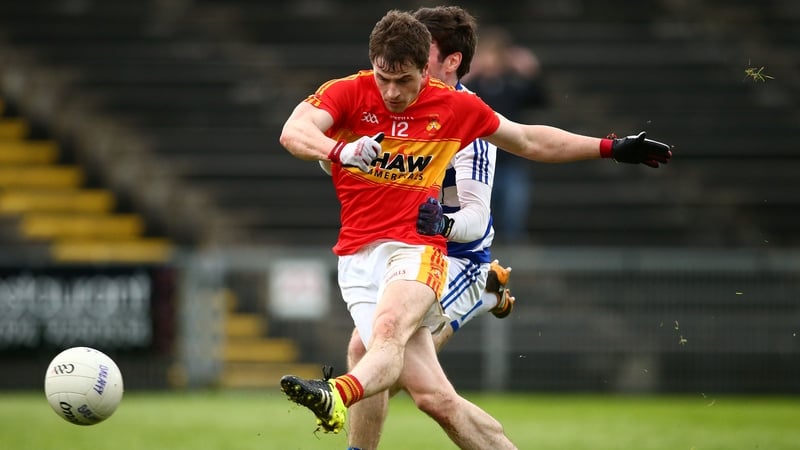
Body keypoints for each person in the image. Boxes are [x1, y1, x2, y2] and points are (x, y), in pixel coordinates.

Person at [277, 8, 671, 448]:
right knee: (430, 394)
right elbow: (295, 131)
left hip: (441, 253)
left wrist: (611, 147)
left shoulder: (462, 112)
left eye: (406, 77)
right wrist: (339, 151)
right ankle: (485, 302)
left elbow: (524, 145)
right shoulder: (351, 92)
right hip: (361, 254)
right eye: (384, 78)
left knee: (382, 345)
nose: (391, 91)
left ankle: (337, 394)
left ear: (438, 64)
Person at [343, 6, 516, 448]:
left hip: (457, 258)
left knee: (403, 376)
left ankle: (483, 291)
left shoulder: (471, 119)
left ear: (451, 61)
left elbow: (476, 218)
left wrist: (443, 222)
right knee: (382, 362)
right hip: (408, 255)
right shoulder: (395, 102)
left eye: (426, 50)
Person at [463, 26, 548, 243]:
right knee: (480, 213)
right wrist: (466, 74)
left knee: (513, 214)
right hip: (480, 161)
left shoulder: (513, 85)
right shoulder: (472, 87)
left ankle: (512, 252)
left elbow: (540, 99)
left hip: (510, 160)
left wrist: (531, 71)